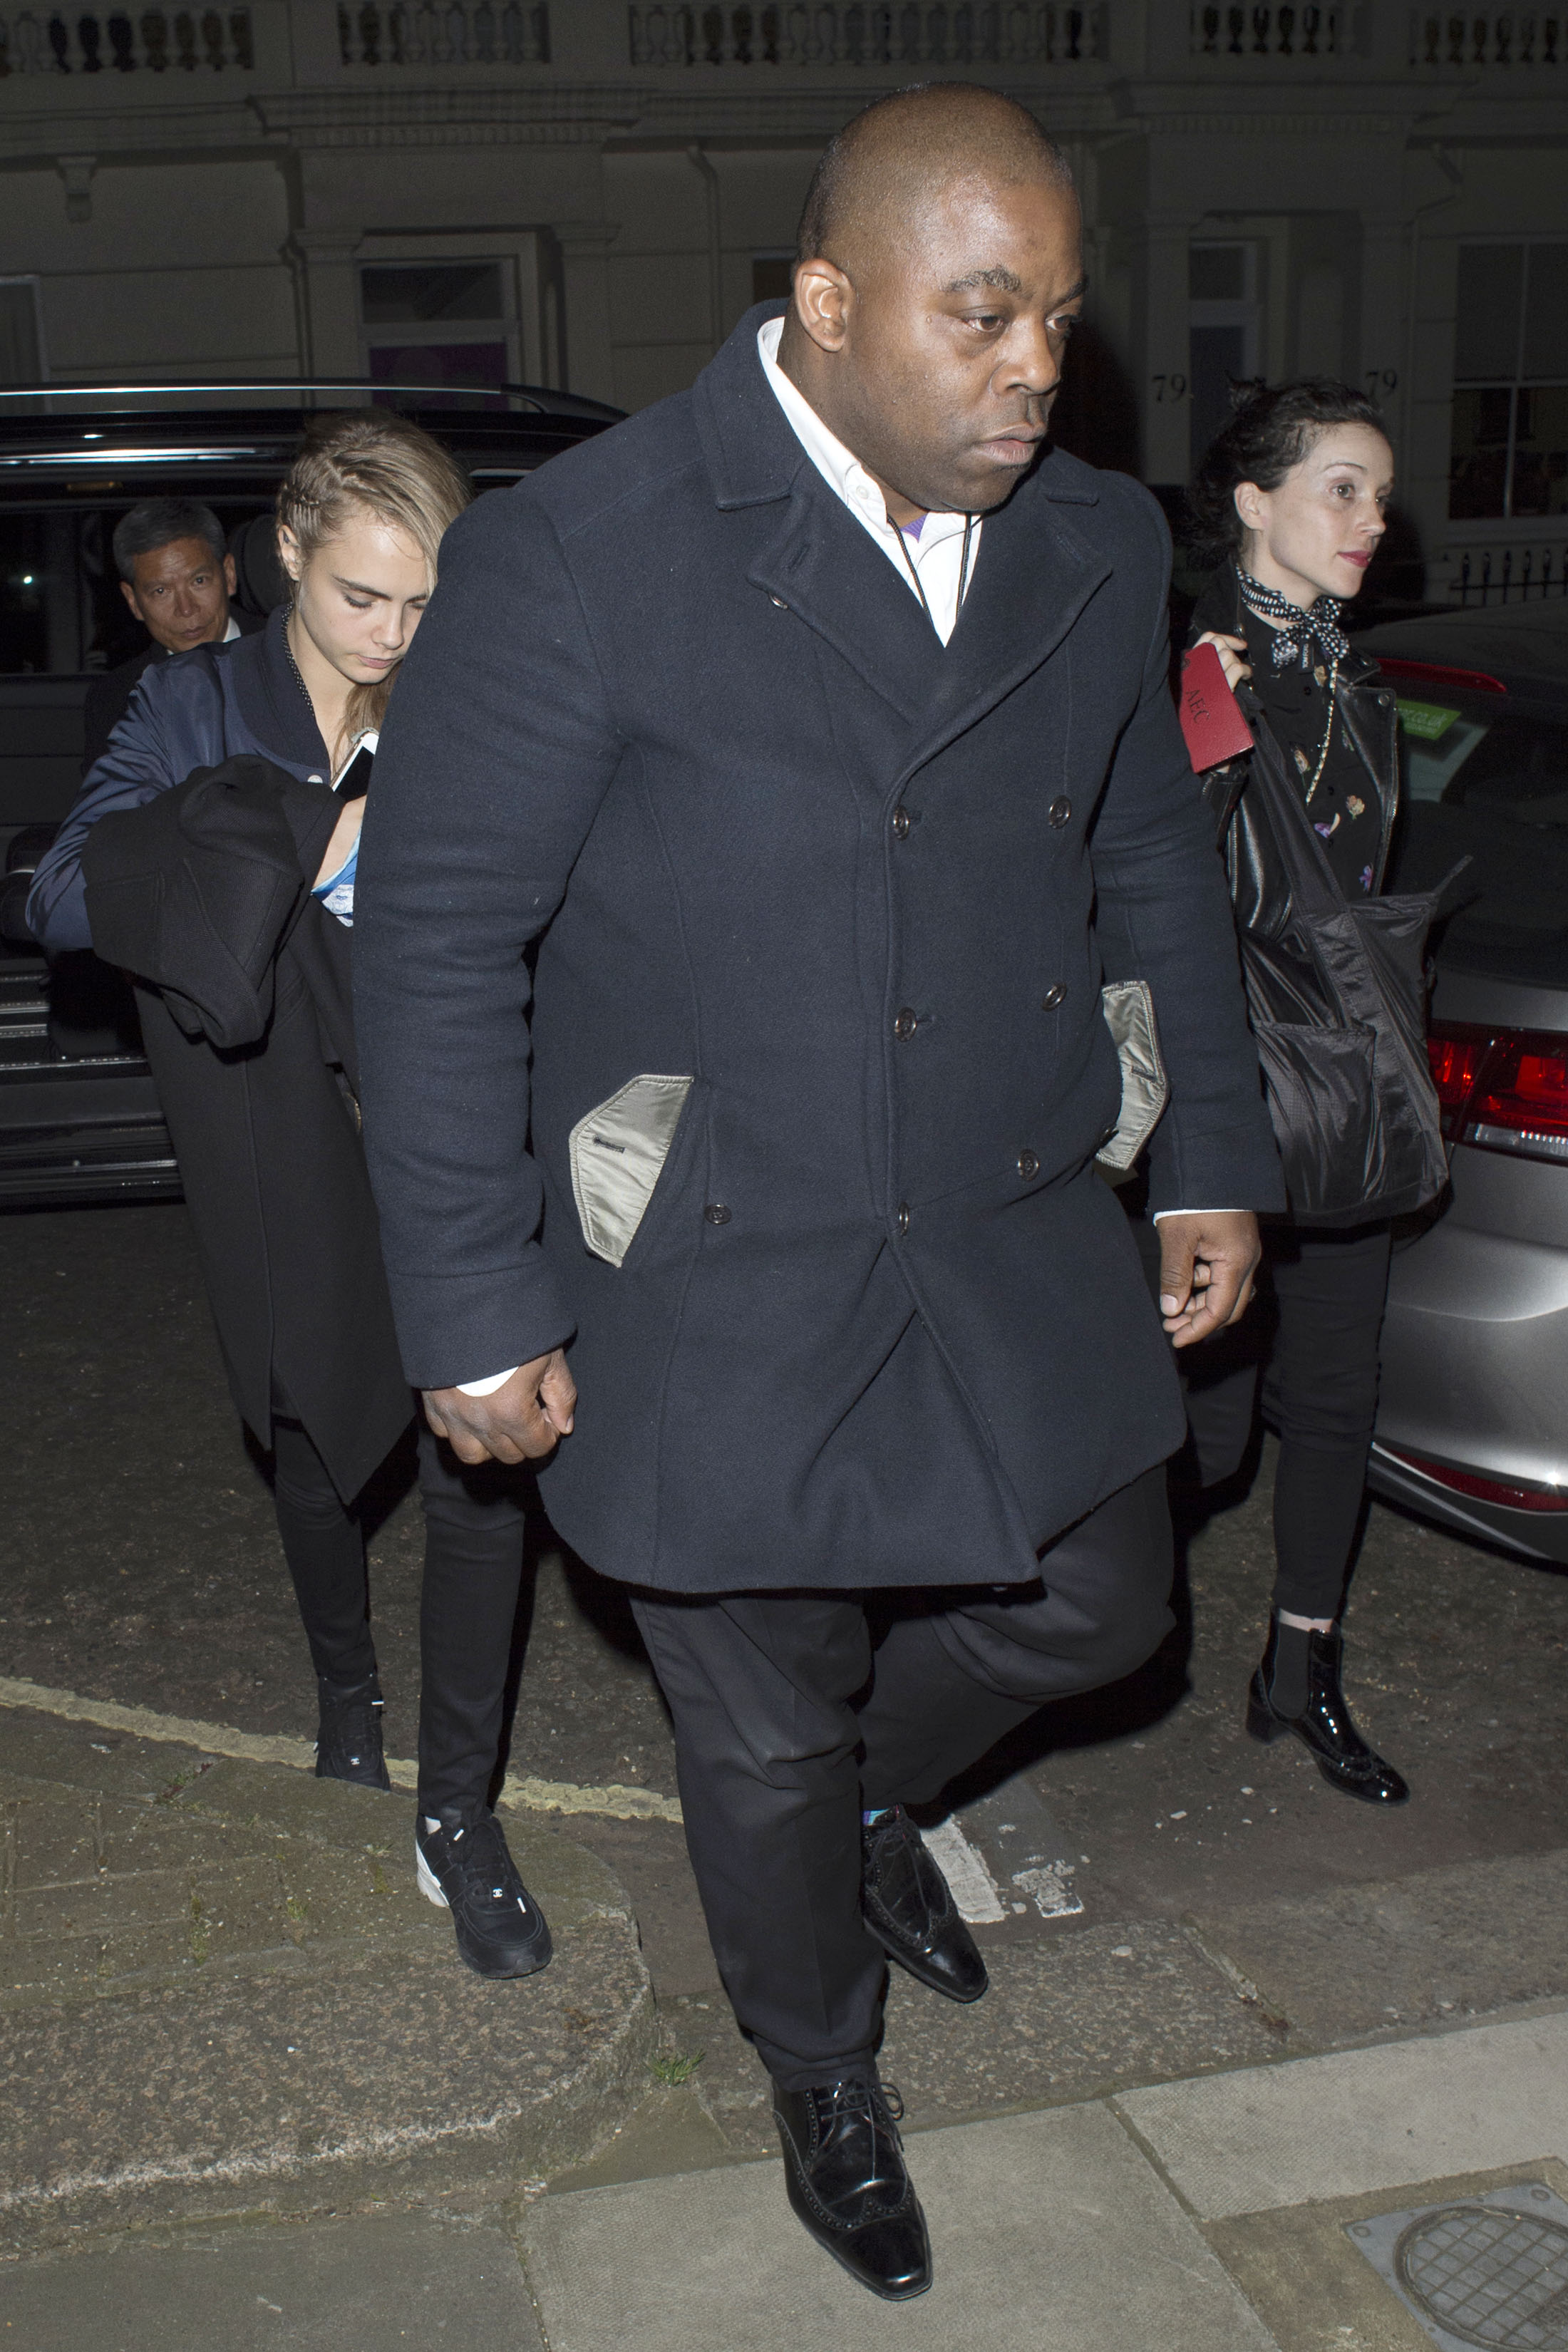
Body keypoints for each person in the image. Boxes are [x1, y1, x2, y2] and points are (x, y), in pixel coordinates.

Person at [351, 86, 1283, 2301]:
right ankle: (817, 2060)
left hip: (1006, 1214)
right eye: (984, 314)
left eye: (1059, 316)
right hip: (713, 1253)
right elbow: (439, 940)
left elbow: (1149, 852)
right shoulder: (584, 552)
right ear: (829, 302)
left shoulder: (1092, 540)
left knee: (1104, 1604)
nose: (1038, 369)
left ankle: (867, 1804)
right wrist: (474, 1302)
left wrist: (1210, 1150)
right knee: (755, 1723)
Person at [27, 415, 553, 1985]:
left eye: (424, 604)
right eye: (360, 598)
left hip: (453, 1129)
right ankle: (348, 1700)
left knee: (482, 1461)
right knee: (316, 1439)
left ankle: (457, 1808)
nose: (393, 635)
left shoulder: (468, 694)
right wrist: (316, 830)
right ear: (288, 563)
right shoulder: (194, 705)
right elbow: (67, 891)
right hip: (279, 1138)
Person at [1177, 377, 1417, 1806]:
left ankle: (1301, 1668)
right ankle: (1092, 1636)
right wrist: (1195, 722)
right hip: (1226, 1089)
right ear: (1254, 502)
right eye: (1342, 488)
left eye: (1379, 494)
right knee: (1203, 1427)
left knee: (1336, 1395)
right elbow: (1155, 890)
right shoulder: (1194, 674)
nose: (1371, 519)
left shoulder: (1362, 692)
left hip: (1347, 1086)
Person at [81, 499, 262, 774]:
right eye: (161, 592)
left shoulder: (296, 656)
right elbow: (111, 798)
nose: (186, 609)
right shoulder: (117, 701)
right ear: (133, 601)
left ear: (228, 575)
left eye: (199, 581)